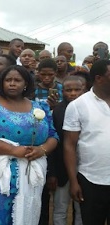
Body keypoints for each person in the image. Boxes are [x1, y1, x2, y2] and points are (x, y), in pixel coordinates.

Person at [0, 65, 58, 225]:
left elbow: (53, 135)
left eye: (17, 80)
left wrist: (41, 150)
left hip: (31, 171)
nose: (12, 83)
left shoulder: (40, 107)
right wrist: (14, 150)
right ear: (1, 83)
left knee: (27, 215)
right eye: (8, 80)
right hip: (0, 176)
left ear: (26, 83)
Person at [63, 59, 110, 224]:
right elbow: (69, 145)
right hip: (91, 180)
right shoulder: (78, 105)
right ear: (99, 78)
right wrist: (74, 182)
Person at [49, 76, 84, 225]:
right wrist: (52, 173)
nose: (73, 93)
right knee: (60, 207)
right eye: (69, 90)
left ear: (84, 90)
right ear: (62, 92)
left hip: (84, 167)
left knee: (81, 208)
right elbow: (53, 144)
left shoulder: (88, 109)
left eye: (77, 90)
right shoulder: (57, 111)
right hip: (61, 168)